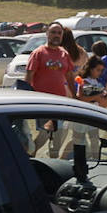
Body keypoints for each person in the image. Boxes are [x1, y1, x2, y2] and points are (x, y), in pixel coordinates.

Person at [24, 23, 75, 155]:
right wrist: (25, 98)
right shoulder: (38, 53)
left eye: (59, 33)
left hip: (60, 103)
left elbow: (70, 77)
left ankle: (53, 165)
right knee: (44, 135)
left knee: (58, 138)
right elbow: (29, 76)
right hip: (43, 103)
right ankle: (28, 158)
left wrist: (75, 97)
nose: (56, 35)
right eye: (53, 32)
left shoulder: (64, 54)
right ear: (47, 34)